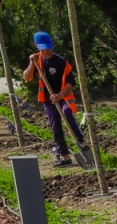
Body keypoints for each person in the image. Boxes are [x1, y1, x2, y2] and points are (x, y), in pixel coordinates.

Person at [21, 31, 87, 168]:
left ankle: (80, 141)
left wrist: (60, 95)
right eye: (42, 48)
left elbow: (71, 83)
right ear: (36, 46)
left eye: (48, 48)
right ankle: (65, 157)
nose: (46, 51)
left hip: (64, 97)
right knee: (55, 127)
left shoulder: (60, 62)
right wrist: (32, 63)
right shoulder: (37, 61)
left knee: (67, 114)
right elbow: (27, 78)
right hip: (48, 101)